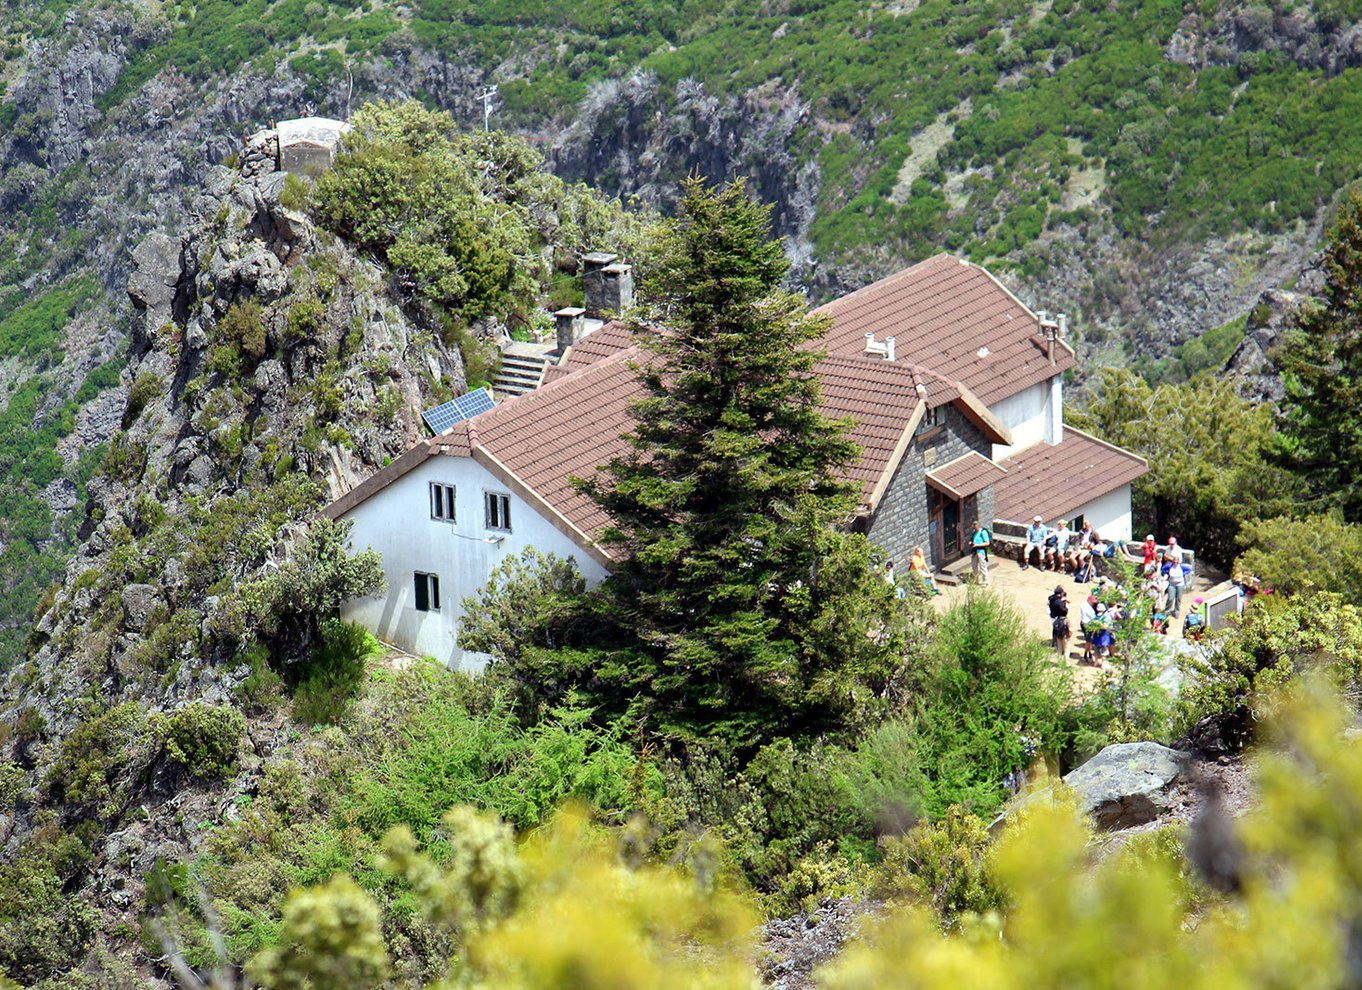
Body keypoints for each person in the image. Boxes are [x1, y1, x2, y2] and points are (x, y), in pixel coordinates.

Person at [1049, 585, 1070, 658]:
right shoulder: (1059, 602)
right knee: (1061, 632)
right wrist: (1065, 606)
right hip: (1058, 617)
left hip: (1052, 615)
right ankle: (1060, 648)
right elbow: (1064, 611)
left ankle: (1054, 643)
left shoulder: (1052, 598)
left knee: (1055, 629)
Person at [1166, 550, 1187, 617]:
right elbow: (1163, 569)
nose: (1176, 563)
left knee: (1178, 599)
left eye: (1177, 562)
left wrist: (1184, 574)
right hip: (1172, 584)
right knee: (1170, 598)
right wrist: (1167, 574)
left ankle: (1176, 611)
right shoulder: (1170, 566)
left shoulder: (1181, 567)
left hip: (1180, 584)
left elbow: (1188, 569)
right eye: (1174, 562)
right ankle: (1167, 611)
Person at [970, 521, 991, 586]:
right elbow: (972, 540)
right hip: (974, 551)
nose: (974, 528)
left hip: (981, 551)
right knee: (974, 566)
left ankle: (985, 581)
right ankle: (976, 580)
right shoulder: (974, 533)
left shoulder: (983, 532)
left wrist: (977, 545)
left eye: (975, 526)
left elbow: (987, 543)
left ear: (978, 526)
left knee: (983, 566)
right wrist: (971, 543)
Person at [1079, 593, 1098, 663]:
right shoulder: (1089, 608)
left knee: (1089, 641)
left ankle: (1088, 653)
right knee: (1088, 641)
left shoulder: (1083, 604)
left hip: (1083, 623)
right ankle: (1086, 654)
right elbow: (1093, 617)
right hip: (1088, 624)